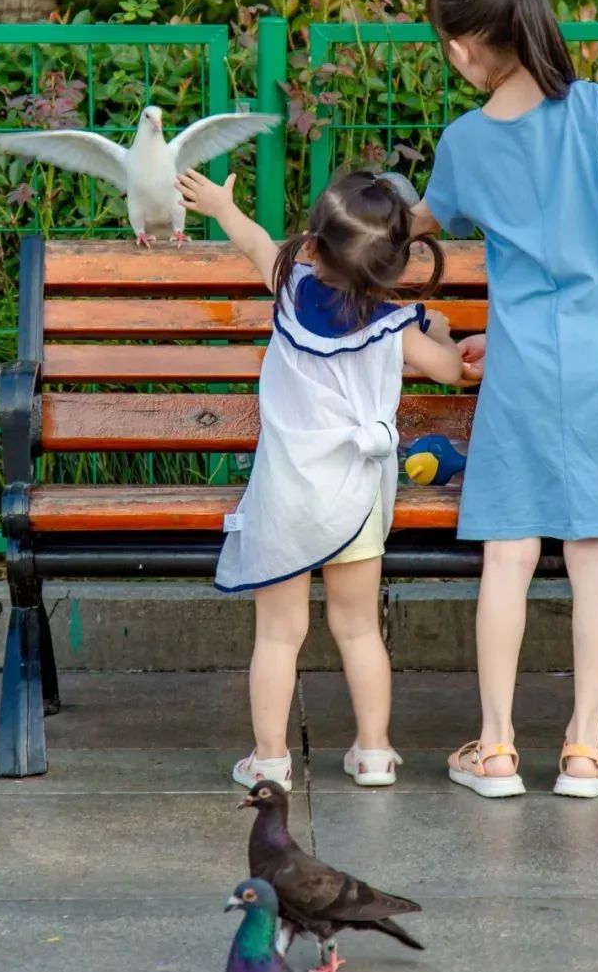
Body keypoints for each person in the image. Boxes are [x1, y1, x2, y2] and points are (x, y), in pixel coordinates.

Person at [414, 0, 598, 800]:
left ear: (462, 48)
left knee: (507, 552)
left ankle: (496, 748)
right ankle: (583, 747)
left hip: (521, 370)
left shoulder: (465, 139)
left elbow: (423, 219)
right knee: (593, 555)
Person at [177, 166, 463, 793]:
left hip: (285, 499)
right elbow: (452, 371)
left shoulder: (289, 289)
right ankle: (375, 752)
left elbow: (254, 241)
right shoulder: (397, 326)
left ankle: (270, 761)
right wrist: (438, 330)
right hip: (356, 497)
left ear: (312, 246)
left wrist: (223, 206)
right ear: (394, 263)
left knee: (279, 635)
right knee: (359, 628)